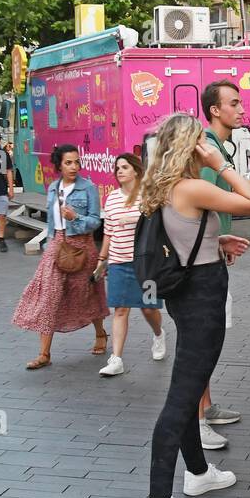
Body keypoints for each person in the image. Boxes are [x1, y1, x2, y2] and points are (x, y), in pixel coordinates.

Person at [140, 113, 250, 498]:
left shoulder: (163, 185)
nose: (207, 146)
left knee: (189, 388)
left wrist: (215, 240)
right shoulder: (193, 185)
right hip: (202, 298)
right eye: (201, 142)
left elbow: (180, 234)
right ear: (192, 146)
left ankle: (197, 472)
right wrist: (221, 164)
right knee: (180, 398)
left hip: (186, 294)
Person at [11, 144, 108, 371]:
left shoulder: (88, 188)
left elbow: (95, 221)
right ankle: (44, 353)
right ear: (59, 165)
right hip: (57, 246)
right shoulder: (54, 187)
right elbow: (52, 222)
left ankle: (101, 333)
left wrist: (75, 217)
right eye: (68, 162)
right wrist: (49, 245)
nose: (74, 167)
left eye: (76, 162)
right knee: (49, 296)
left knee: (88, 294)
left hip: (82, 247)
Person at [197, 80, 247, 445]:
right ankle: (197, 420)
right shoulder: (207, 149)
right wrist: (214, 244)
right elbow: (203, 202)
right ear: (216, 110)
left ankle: (206, 406)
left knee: (210, 336)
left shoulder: (216, 146)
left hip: (212, 253)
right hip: (202, 263)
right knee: (203, 339)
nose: (241, 109)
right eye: (234, 103)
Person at [95, 153, 167, 378]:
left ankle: (158, 334)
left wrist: (136, 220)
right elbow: (108, 232)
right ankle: (116, 359)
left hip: (146, 263)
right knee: (120, 309)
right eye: (117, 168)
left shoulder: (149, 195)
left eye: (125, 167)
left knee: (149, 307)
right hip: (118, 261)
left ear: (136, 170)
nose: (120, 171)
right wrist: (101, 260)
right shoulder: (112, 198)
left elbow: (160, 226)